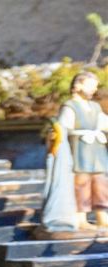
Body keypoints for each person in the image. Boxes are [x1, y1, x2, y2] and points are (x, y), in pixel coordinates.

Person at [49, 72, 108, 231]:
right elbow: (62, 127)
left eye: (95, 87)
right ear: (78, 85)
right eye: (91, 85)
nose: (94, 90)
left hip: (96, 149)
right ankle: (81, 218)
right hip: (79, 149)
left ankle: (102, 217)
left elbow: (103, 123)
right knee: (81, 184)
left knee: (100, 183)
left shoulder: (94, 107)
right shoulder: (70, 106)